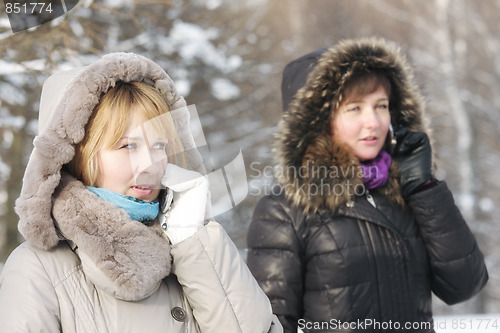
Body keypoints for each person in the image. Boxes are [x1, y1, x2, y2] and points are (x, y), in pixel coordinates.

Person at [0, 52, 282, 333]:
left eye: (159, 145)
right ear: (76, 155)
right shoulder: (37, 270)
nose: (150, 164)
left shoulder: (192, 247)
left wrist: (194, 240)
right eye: (127, 146)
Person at [246, 38, 488, 332]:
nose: (373, 122)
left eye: (381, 106)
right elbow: (268, 325)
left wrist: (423, 187)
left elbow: (465, 285)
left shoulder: (409, 195)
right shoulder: (283, 210)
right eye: (354, 108)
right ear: (317, 121)